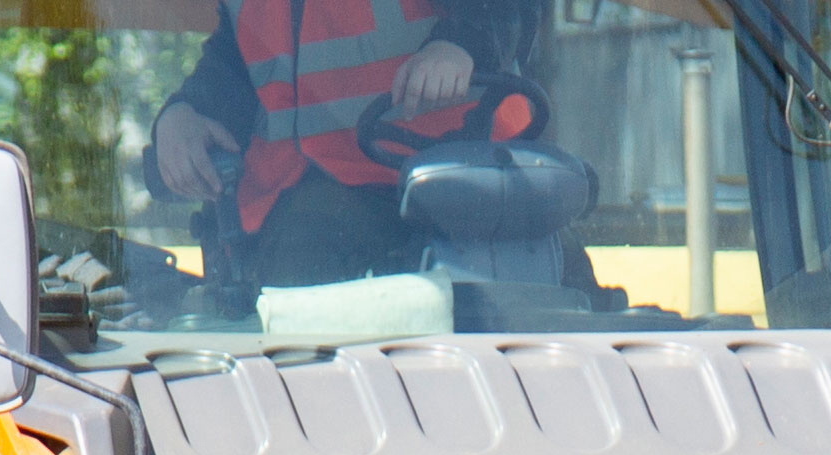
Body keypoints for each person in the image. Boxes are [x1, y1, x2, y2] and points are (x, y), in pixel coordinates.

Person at [152, 0, 542, 286]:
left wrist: (459, 46)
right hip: (305, 219)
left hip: (463, 204)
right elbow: (236, 63)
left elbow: (506, 9)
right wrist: (184, 112)